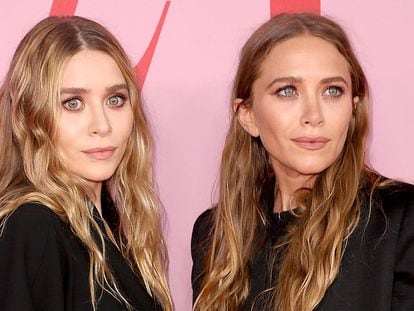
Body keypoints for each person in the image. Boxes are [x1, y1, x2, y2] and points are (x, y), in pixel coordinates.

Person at [191, 13, 414, 311]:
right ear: (248, 115)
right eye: (287, 91)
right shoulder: (214, 234)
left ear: (352, 108)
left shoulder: (400, 219)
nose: (314, 115)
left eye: (332, 91)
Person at [0, 16, 172, 311]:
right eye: (73, 103)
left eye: (115, 99)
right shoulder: (35, 225)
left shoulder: (111, 224)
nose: (102, 125)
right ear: (27, 115)